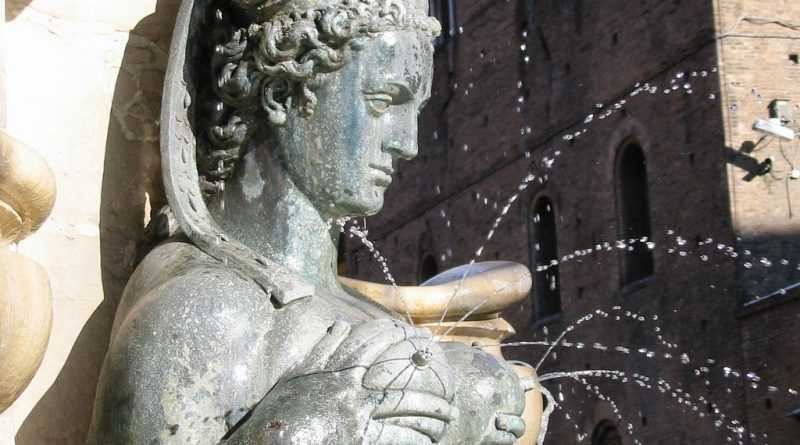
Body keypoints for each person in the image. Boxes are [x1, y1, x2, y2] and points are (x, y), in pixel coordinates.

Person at [86, 0, 528, 443]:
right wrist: (309, 425)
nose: (406, 142)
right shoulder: (205, 307)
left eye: (414, 108)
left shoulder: (365, 313)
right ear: (282, 94)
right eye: (382, 100)